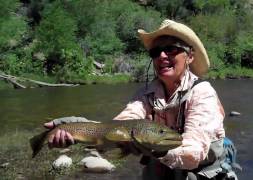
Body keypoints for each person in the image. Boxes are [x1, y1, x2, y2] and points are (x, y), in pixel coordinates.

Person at [45, 19, 239, 180]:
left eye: (171, 49)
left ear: (189, 57)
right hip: (163, 163)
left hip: (202, 169)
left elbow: (194, 152)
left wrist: (156, 149)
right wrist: (73, 127)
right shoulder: (146, 93)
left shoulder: (203, 92)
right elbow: (117, 127)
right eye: (156, 52)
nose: (162, 56)